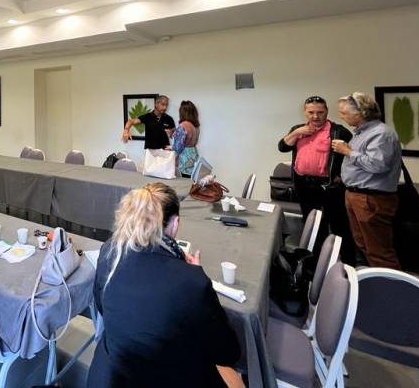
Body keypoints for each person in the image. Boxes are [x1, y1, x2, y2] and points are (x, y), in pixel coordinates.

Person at [88, 183, 241, 388]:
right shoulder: (192, 282)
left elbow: (103, 308)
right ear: (176, 223)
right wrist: (196, 273)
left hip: (112, 377)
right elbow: (228, 353)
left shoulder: (109, 252)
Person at [278, 95, 354, 262]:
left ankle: (346, 263)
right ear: (305, 112)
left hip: (329, 187)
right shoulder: (298, 130)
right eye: (311, 112)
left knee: (339, 226)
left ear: (326, 111)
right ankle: (314, 262)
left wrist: (342, 176)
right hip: (304, 185)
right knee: (312, 225)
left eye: (320, 112)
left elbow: (352, 156)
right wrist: (297, 133)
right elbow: (282, 147)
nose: (315, 116)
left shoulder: (338, 131)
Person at [332, 92, 402, 270]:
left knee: (379, 250)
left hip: (371, 198)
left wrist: (347, 151)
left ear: (360, 113)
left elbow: (378, 165)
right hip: (357, 196)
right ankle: (378, 280)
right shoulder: (361, 133)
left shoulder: (381, 133)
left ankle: (391, 285)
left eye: (344, 113)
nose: (341, 116)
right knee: (365, 245)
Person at [171, 100, 201, 178]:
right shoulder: (196, 127)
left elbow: (177, 148)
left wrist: (173, 160)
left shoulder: (183, 126)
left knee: (182, 183)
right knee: (191, 181)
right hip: (194, 156)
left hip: (184, 159)